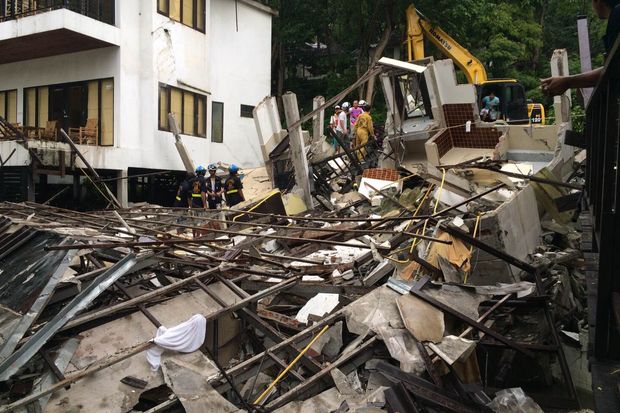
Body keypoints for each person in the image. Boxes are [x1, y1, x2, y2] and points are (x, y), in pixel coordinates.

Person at [541, 0, 620, 96]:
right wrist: (567, 82)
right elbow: (612, 68)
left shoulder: (617, 14)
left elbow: (612, 71)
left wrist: (567, 82)